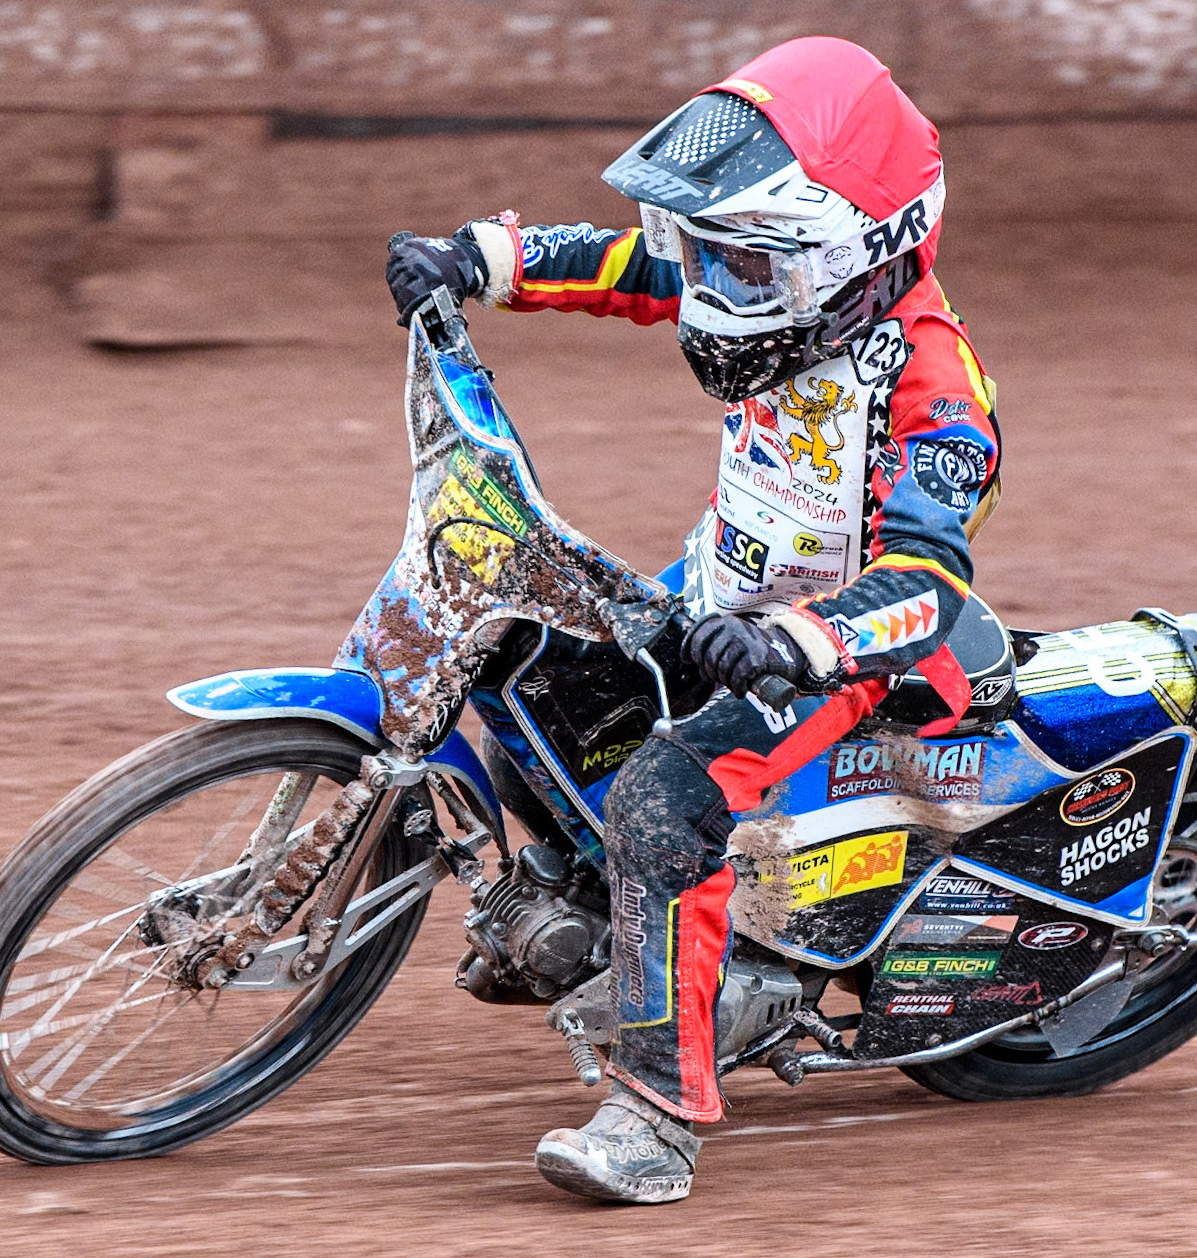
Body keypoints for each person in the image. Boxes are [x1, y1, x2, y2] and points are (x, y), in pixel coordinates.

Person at [384, 36, 1001, 1204]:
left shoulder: (935, 392)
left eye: (744, 265)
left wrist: (797, 645)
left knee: (664, 800)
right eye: (709, 256)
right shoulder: (776, 284)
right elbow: (630, 261)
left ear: (847, 257)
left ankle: (658, 1114)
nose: (715, 288)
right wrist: (476, 258)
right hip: (717, 593)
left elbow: (933, 583)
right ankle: (573, 905)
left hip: (839, 655)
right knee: (522, 656)